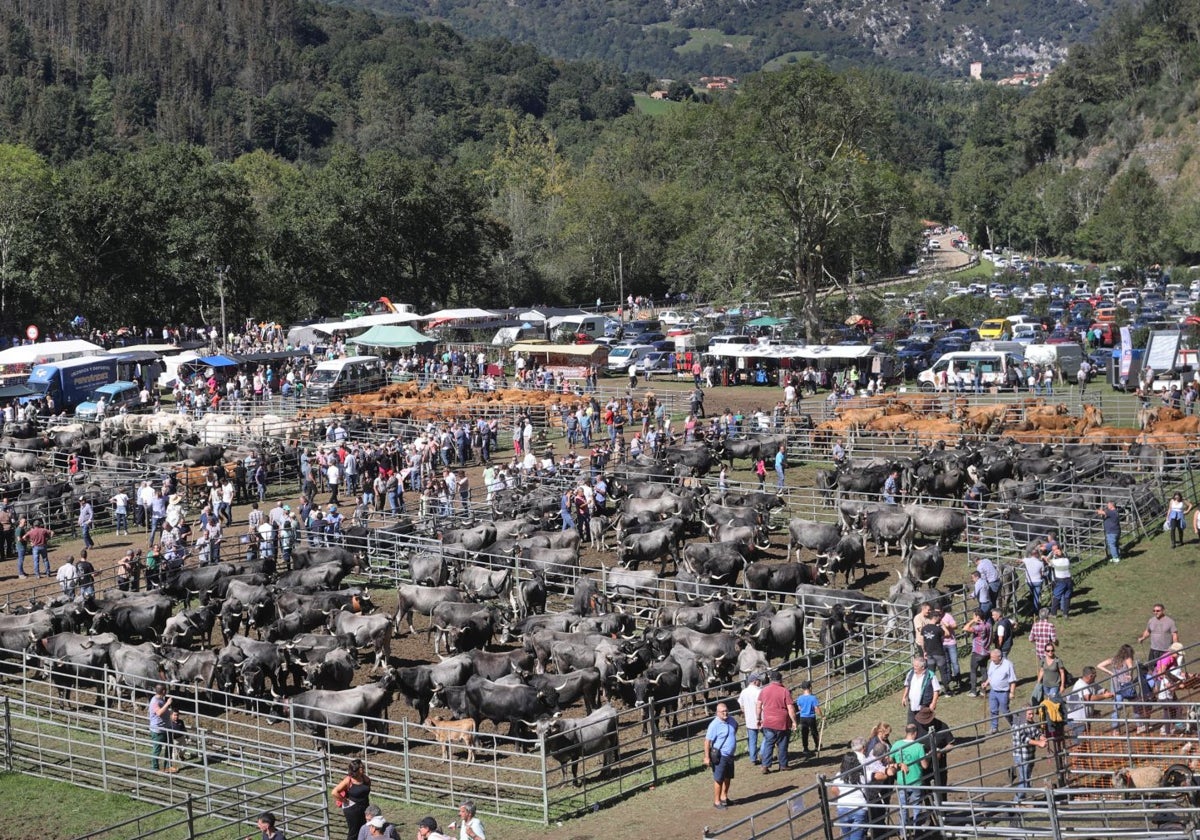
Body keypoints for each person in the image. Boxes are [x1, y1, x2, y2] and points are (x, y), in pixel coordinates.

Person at [888, 723, 928, 837]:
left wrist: (898, 764)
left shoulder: (896, 745)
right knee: (917, 807)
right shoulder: (919, 746)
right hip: (916, 782)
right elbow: (924, 766)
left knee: (903, 808)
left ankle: (903, 833)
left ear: (906, 732)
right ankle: (917, 833)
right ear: (915, 733)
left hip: (902, 782)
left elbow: (890, 760)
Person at [756, 670, 797, 773]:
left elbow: (758, 705)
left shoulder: (764, 690)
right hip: (781, 722)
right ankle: (783, 765)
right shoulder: (784, 691)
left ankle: (765, 765)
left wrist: (758, 719)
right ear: (781, 679)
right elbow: (790, 708)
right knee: (782, 744)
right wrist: (794, 721)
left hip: (768, 722)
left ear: (770, 679)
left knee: (769, 744)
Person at [1064, 666, 1114, 742]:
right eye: (1095, 676)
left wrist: (1106, 692)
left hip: (1085, 719)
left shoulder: (1091, 683)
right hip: (1077, 720)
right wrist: (1105, 696)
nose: (1096, 677)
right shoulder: (1080, 685)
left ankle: (1085, 753)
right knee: (1080, 744)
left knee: (1086, 742)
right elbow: (1089, 698)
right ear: (1090, 676)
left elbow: (1100, 689)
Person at [827, 748, 869, 840]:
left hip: (843, 808)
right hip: (859, 808)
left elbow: (834, 790)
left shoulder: (839, 775)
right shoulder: (862, 775)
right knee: (856, 837)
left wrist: (843, 797)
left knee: (847, 837)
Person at [1097, 644, 1140, 731]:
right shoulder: (1128, 659)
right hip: (1127, 686)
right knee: (1136, 705)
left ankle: (1115, 730)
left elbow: (1099, 665)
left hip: (1116, 687)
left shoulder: (1114, 660)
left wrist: (1110, 673)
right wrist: (1130, 675)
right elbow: (1131, 667)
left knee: (1116, 708)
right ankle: (1140, 725)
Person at [704, 702, 738, 809]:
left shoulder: (732, 720)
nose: (725, 713)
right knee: (719, 779)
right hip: (720, 755)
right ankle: (717, 801)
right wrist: (707, 757)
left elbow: (735, 728)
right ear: (717, 713)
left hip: (730, 755)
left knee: (728, 777)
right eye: (722, 711)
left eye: (726, 710)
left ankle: (724, 797)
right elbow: (707, 741)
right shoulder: (714, 725)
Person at [1010, 705, 1048, 800]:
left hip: (1029, 755)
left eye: (1032, 714)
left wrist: (1041, 737)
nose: (1031, 716)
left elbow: (1036, 732)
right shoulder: (1018, 724)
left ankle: (1020, 800)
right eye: (1029, 714)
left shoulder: (1030, 722)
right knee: (1024, 780)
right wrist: (1039, 743)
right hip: (1021, 756)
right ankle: (1016, 801)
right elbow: (1024, 739)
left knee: (1026, 778)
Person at [332, 759, 372, 840]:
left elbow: (367, 789)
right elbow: (334, 792)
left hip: (365, 807)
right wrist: (344, 800)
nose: (363, 767)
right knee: (354, 832)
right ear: (355, 770)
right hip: (352, 808)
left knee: (365, 829)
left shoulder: (365, 778)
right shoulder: (348, 780)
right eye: (361, 767)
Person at [981, 648, 1018, 733]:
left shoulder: (1008, 665)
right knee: (993, 710)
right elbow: (991, 676)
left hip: (1003, 692)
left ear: (999, 657)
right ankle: (994, 728)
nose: (991, 659)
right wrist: (986, 683)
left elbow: (1012, 680)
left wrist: (1012, 692)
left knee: (1005, 711)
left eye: (993, 658)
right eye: (991, 657)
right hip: (993, 691)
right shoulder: (992, 663)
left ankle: (1014, 725)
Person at [899, 656, 940, 726]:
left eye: (916, 666)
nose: (914, 667)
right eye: (914, 665)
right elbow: (907, 685)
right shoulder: (910, 673)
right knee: (910, 726)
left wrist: (933, 703)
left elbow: (936, 690)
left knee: (923, 726)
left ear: (922, 667)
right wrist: (904, 697)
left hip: (924, 706)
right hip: (912, 705)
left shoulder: (930, 675)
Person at [737, 673, 763, 764]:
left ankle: (753, 758)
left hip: (749, 720)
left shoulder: (744, 692)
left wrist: (746, 713)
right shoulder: (759, 691)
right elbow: (761, 705)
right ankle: (762, 752)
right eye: (759, 680)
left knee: (752, 740)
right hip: (760, 718)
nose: (760, 682)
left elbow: (741, 705)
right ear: (755, 681)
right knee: (768, 736)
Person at [148, 683, 173, 772]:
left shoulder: (160, 699)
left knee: (170, 747)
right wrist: (167, 704)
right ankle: (155, 768)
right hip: (158, 730)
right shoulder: (155, 701)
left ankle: (168, 766)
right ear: (163, 691)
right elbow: (158, 712)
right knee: (157, 749)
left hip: (166, 727)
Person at [795, 680, 823, 757]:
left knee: (804, 733)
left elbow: (799, 708)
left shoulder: (799, 698)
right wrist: (822, 716)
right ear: (810, 688)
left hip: (803, 718)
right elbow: (816, 708)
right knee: (814, 731)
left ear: (802, 689)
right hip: (811, 717)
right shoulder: (813, 698)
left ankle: (805, 748)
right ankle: (817, 745)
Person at [1046, 545, 1073, 618]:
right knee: (1067, 596)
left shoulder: (1055, 561)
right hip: (1069, 580)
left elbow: (1047, 560)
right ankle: (1065, 613)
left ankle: (1053, 613)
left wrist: (1051, 554)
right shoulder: (1067, 560)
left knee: (1056, 596)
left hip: (1061, 581)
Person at [1021, 548, 1044, 616]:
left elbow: (1019, 560)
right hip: (1037, 581)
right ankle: (1036, 610)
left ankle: (1031, 606)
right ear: (1037, 554)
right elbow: (1042, 573)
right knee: (1036, 596)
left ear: (1031, 555)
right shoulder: (1040, 563)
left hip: (1029, 581)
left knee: (1033, 593)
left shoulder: (1027, 560)